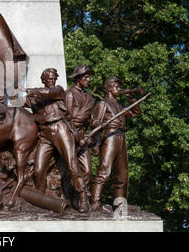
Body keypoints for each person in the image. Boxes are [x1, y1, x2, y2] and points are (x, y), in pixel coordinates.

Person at [25, 68, 89, 213]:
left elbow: (49, 92)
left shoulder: (58, 91)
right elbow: (21, 102)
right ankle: (41, 201)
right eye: (49, 79)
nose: (52, 81)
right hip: (45, 134)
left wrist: (29, 90)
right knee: (38, 169)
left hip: (60, 129)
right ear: (43, 80)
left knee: (72, 165)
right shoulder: (36, 98)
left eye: (54, 78)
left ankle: (83, 197)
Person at [89, 76, 142, 210]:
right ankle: (95, 202)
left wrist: (131, 98)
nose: (119, 89)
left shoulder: (120, 106)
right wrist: (96, 143)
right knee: (104, 171)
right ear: (108, 88)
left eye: (119, 87)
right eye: (116, 86)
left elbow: (136, 112)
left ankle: (119, 204)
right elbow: (94, 122)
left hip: (121, 137)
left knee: (121, 174)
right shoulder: (103, 103)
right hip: (110, 137)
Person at [65, 65, 96, 193]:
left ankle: (78, 195)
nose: (89, 80)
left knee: (88, 171)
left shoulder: (88, 97)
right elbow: (66, 118)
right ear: (78, 78)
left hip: (83, 137)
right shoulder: (69, 93)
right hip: (70, 136)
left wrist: (95, 122)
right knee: (69, 170)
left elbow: (90, 117)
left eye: (89, 77)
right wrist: (77, 136)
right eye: (86, 77)